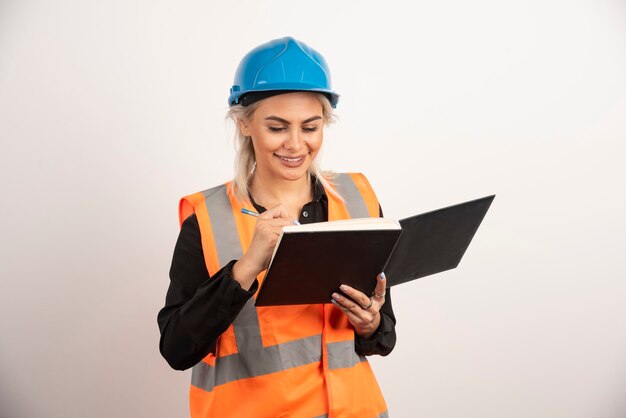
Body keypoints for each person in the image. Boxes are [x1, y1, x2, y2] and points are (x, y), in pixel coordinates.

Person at [158, 36, 397, 418]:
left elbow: (383, 336)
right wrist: (247, 266)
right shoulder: (207, 218)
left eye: (310, 127)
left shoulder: (358, 199)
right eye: (277, 127)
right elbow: (176, 348)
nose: (296, 144)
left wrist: (371, 323)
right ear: (244, 124)